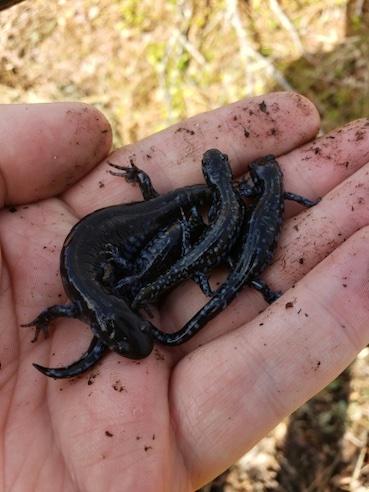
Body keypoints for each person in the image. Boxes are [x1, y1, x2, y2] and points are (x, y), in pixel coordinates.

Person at [0, 92, 368, 491]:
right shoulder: (86, 300)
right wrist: (41, 318)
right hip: (137, 227)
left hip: (145, 224)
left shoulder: (88, 299)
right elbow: (66, 308)